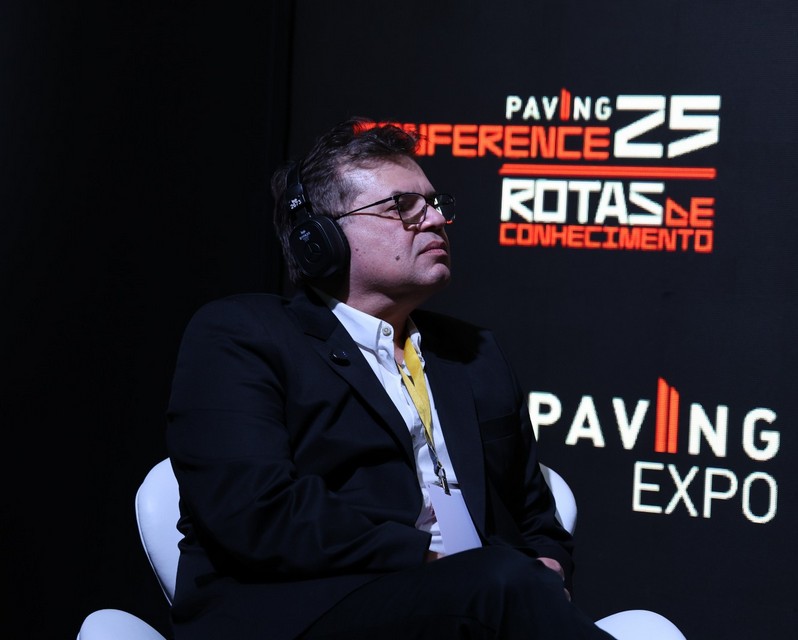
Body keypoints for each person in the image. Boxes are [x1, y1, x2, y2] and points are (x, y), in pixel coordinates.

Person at [165, 116, 616, 639]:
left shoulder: (474, 354)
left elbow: (534, 515)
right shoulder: (242, 335)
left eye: (436, 204)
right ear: (320, 238)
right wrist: (434, 559)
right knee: (499, 581)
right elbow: (257, 511)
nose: (436, 219)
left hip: (471, 604)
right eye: (403, 206)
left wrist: (548, 564)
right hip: (303, 612)